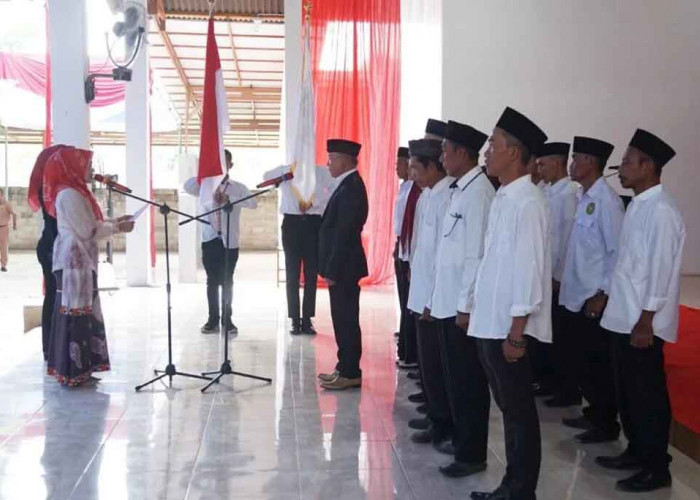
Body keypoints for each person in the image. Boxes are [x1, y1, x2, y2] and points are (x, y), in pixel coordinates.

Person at [468, 107, 550, 500]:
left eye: (493, 145)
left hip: (507, 328)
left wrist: (517, 333)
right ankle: (512, 484)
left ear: (514, 153)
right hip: (491, 322)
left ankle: (520, 489)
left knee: (518, 412)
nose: (487, 152)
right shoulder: (505, 196)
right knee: (509, 409)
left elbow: (529, 272)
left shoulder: (528, 202)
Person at [597, 129, 685, 493]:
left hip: (641, 324)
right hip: (624, 316)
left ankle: (655, 466)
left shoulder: (661, 211)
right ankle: (635, 451)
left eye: (628, 162)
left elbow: (660, 272)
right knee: (628, 392)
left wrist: (646, 321)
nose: (621, 170)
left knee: (647, 396)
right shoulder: (639, 205)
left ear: (648, 166)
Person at [428, 120, 494, 477]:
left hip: (461, 309)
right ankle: (459, 438)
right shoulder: (460, 190)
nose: (442, 156)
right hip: (448, 302)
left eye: (446, 151)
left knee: (468, 381)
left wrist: (465, 305)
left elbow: (475, 256)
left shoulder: (479, 193)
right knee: (454, 378)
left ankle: (472, 454)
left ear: (463, 154)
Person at [42, 146, 134, 386]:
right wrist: (117, 228)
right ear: (71, 167)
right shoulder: (69, 195)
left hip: (80, 261)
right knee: (75, 314)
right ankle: (72, 372)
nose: (91, 170)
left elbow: (90, 224)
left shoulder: (75, 192)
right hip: (74, 262)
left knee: (83, 313)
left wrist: (115, 221)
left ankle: (80, 370)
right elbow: (88, 229)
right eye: (86, 165)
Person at [556, 136, 624, 444]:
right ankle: (593, 411)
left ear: (591, 164)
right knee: (582, 359)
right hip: (576, 293)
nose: (571, 165)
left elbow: (616, 253)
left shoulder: (607, 203)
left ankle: (605, 422)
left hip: (591, 297)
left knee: (597, 363)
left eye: (576, 159)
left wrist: (602, 293)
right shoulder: (584, 198)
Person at [403, 139, 455, 452]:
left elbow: (443, 255)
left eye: (414, 167)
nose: (411, 174)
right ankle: (436, 417)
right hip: (423, 290)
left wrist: (430, 299)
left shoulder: (449, 195)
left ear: (432, 167)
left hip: (435, 298)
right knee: (428, 362)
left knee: (439, 364)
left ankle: (443, 422)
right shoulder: (429, 194)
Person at [184, 149, 257, 335]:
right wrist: (206, 174)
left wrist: (229, 198)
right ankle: (212, 320)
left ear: (231, 165)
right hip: (210, 239)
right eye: (217, 163)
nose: (221, 167)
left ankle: (228, 319)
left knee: (227, 281)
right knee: (211, 281)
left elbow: (253, 203)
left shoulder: (237, 187)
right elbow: (187, 186)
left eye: (225, 163)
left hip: (229, 241)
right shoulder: (204, 186)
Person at [317, 139, 368, 390]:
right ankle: (343, 367)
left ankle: (351, 371)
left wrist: (333, 268)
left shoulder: (352, 187)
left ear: (345, 160)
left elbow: (344, 233)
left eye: (331, 158)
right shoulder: (346, 185)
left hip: (345, 267)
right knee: (341, 318)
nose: (327, 164)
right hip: (342, 265)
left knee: (346, 319)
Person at [529, 142, 577, 398]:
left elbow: (566, 240)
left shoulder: (568, 194)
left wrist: (558, 276)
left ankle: (564, 387)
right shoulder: (547, 191)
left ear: (557, 163)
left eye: (543, 164)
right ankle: (546, 379)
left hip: (557, 278)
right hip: (545, 275)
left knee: (561, 336)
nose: (540, 169)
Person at [263, 162, 332, 335]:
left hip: (313, 223)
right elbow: (266, 177)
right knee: (292, 274)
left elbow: (332, 192)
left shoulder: (320, 171)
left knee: (311, 274)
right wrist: (287, 170)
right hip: (292, 224)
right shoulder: (286, 171)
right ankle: (294, 319)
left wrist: (313, 203)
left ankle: (307, 319)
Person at [27, 145, 65, 360]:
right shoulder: (53, 190)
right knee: (54, 297)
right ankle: (51, 347)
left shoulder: (50, 188)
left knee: (52, 296)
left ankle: (50, 347)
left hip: (49, 246)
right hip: (52, 248)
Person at [392, 146, 418, 367]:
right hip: (402, 246)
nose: (397, 168)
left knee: (409, 300)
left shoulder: (415, 190)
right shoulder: (404, 188)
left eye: (401, 164)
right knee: (403, 298)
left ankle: (409, 347)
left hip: (410, 251)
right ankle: (405, 334)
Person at [0, 187, 18, 272]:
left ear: (2, 194)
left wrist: (14, 225)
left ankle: (3, 265)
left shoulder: (6, 204)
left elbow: (14, 214)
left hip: (3, 228)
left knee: (3, 247)